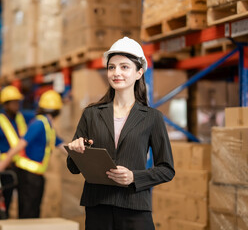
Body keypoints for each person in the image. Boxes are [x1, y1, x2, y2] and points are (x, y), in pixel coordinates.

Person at [66, 37, 175, 230]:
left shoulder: (152, 117)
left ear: (139, 72)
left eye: (124, 67)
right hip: (98, 207)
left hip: (134, 207)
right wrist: (75, 150)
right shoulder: (91, 114)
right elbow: (73, 167)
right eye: (112, 67)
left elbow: (166, 169)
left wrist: (134, 177)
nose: (117, 73)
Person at [0, 90, 64, 218]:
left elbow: (61, 143)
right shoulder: (39, 124)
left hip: (35, 176)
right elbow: (20, 144)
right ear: (58, 110)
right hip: (28, 177)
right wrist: (2, 164)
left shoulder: (47, 125)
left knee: (33, 213)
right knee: (28, 214)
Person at [0, 85, 35, 219]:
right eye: (14, 102)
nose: (17, 105)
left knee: (24, 202)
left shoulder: (22, 117)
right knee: (5, 204)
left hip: (21, 168)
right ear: (5, 104)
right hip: (7, 170)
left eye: (18, 102)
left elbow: (38, 115)